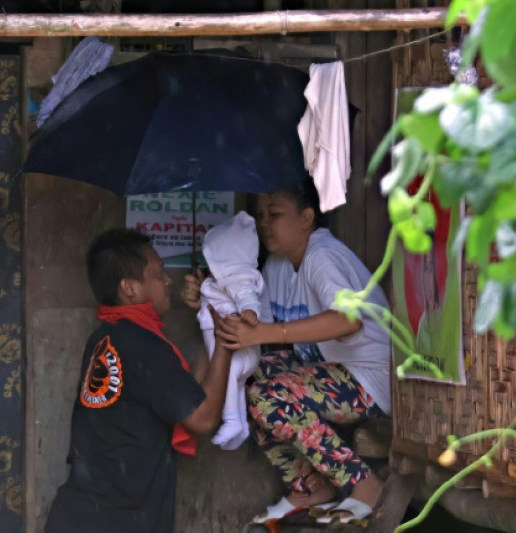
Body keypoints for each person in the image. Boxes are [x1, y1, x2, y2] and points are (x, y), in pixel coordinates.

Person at [182, 179, 392, 525]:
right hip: (328, 370)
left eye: (275, 214)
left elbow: (349, 320)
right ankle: (309, 485)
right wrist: (206, 299)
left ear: (306, 218)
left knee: (270, 396)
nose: (265, 223)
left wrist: (271, 332)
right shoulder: (277, 265)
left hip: (370, 378)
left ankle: (364, 483)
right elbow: (248, 324)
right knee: (246, 377)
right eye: (261, 214)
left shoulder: (321, 256)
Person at [45, 228, 233, 533]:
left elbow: (188, 390)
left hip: (85, 516)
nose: (168, 280)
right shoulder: (143, 344)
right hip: (117, 520)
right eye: (159, 272)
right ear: (130, 288)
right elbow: (202, 417)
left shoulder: (106, 336)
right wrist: (227, 340)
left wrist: (208, 317)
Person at [197, 210, 267, 450]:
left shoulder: (238, 279)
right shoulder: (222, 281)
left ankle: (232, 420)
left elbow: (248, 297)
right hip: (229, 349)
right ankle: (240, 426)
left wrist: (250, 312)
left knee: (228, 375)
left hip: (240, 351)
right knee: (233, 383)